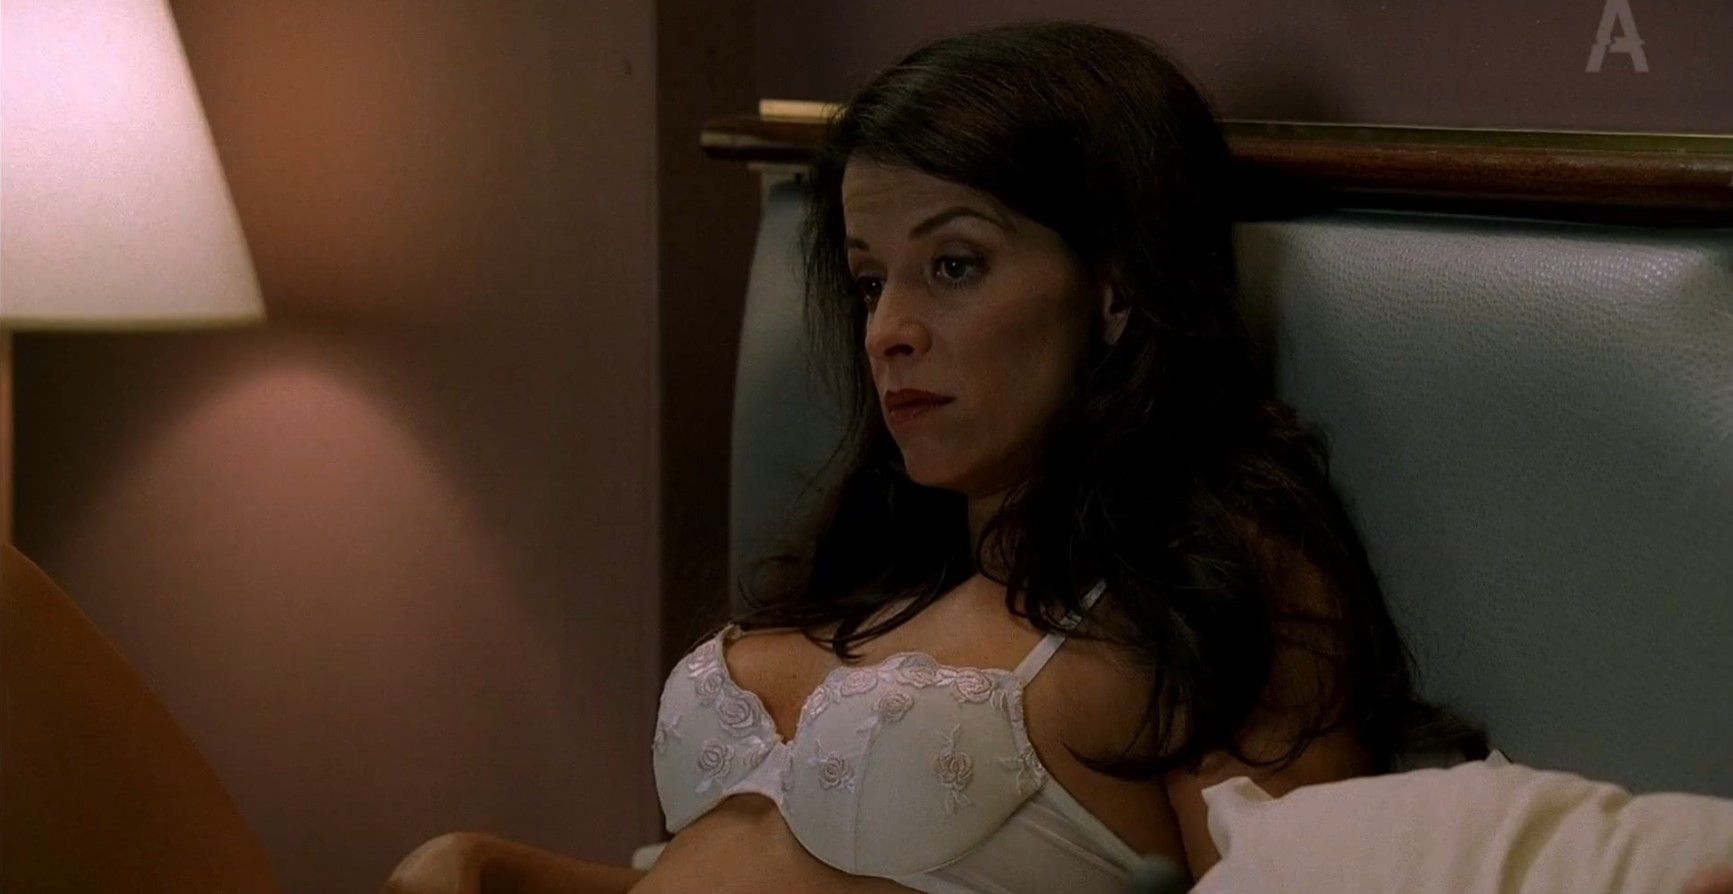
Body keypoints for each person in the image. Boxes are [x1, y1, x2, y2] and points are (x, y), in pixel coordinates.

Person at [385, 21, 1732, 894]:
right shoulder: (891, 558)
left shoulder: (1204, 586)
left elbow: (1289, 873)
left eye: (955, 265)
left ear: (1115, 288)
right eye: (869, 278)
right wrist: (488, 868)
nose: (888, 329)